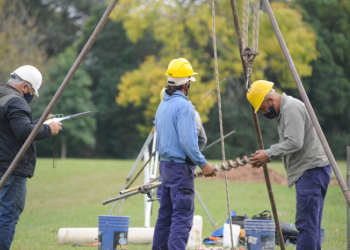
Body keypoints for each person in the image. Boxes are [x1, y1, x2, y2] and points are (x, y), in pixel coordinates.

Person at [247, 80, 331, 250]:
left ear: (269, 100)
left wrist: (268, 154)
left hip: (311, 171)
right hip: (312, 171)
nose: (264, 113)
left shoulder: (291, 108)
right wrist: (267, 155)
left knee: (306, 225)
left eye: (263, 108)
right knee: (311, 226)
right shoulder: (286, 110)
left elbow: (294, 142)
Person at [152, 58, 216, 250]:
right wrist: (203, 163)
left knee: (165, 217)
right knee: (181, 218)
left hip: (164, 167)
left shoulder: (162, 106)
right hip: (180, 169)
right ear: (187, 84)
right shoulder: (185, 106)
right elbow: (188, 142)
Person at [0, 65, 62, 250]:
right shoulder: (16, 101)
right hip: (11, 168)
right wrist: (48, 129)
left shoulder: (2, 95)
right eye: (32, 91)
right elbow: (23, 132)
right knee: (7, 216)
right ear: (25, 87)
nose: (31, 96)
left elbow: (12, 128)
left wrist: (38, 123)